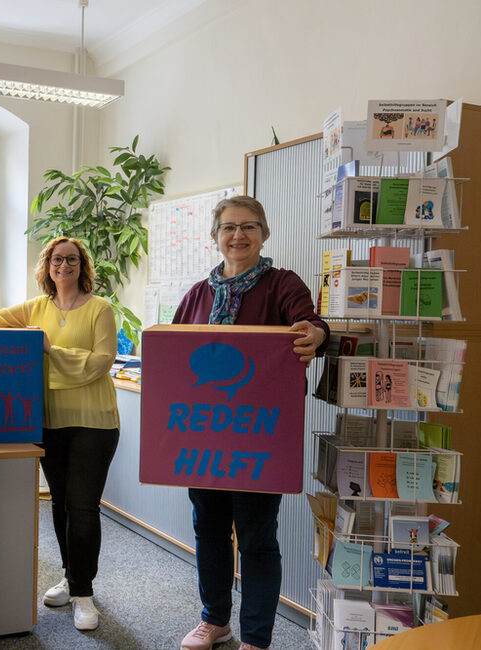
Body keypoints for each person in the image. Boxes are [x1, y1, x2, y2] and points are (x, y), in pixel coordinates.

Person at [174, 196, 328, 650]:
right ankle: (215, 620)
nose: (238, 235)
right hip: (204, 436)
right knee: (210, 529)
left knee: (258, 535)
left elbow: (312, 325)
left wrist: (316, 335)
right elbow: (176, 354)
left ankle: (256, 638)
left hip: (260, 437)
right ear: (215, 236)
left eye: (249, 227)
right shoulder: (198, 295)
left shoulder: (283, 284)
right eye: (228, 227)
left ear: (264, 234)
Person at [0, 236, 119, 632]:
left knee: (83, 506)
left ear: (83, 266)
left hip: (94, 421)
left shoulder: (101, 309)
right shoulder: (36, 308)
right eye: (56, 259)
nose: (64, 265)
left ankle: (84, 593)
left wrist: (49, 349)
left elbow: (101, 362)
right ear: (46, 266)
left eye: (72, 259)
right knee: (60, 503)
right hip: (48, 420)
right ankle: (69, 575)